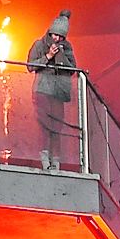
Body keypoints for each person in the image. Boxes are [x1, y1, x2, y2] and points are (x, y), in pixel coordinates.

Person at [26, 10, 78, 171]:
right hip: (42, 90)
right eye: (55, 35)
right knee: (44, 125)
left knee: (57, 128)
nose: (57, 39)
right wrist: (47, 57)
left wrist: (61, 56)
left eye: (61, 37)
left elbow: (73, 69)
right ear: (50, 32)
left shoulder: (67, 48)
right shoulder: (39, 44)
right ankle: (44, 159)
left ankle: (56, 161)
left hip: (59, 93)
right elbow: (30, 66)